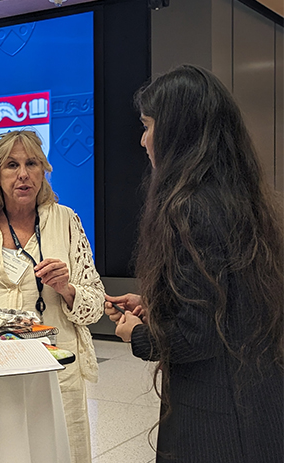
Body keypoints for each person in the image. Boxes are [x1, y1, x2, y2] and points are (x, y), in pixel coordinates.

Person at [105, 65, 283, 463]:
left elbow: (193, 338)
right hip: (258, 401)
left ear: (177, 131)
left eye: (148, 126)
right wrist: (161, 303)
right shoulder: (243, 200)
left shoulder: (188, 210)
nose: (143, 140)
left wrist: (138, 333)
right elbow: (230, 306)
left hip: (214, 421)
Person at [0, 130, 104, 463]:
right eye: (12, 165)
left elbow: (95, 305)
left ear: (44, 170)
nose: (23, 174)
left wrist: (67, 289)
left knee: (54, 451)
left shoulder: (66, 220)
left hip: (51, 371)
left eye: (32, 163)